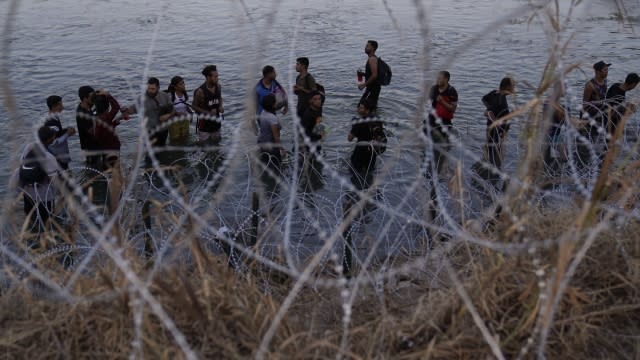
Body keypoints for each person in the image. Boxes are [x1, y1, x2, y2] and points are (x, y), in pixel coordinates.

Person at [9, 126, 59, 240]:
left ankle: (30, 240)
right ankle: (45, 244)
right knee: (47, 222)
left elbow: (22, 164)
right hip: (43, 197)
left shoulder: (29, 147)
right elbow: (54, 181)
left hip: (27, 193)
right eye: (53, 136)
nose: (54, 137)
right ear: (49, 139)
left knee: (30, 218)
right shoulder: (49, 158)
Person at [481, 77, 515, 185]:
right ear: (507, 87)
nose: (514, 88)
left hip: (489, 130)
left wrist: (488, 110)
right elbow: (501, 122)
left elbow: (484, 99)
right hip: (496, 133)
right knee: (496, 160)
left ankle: (488, 176)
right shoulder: (502, 102)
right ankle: (493, 183)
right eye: (512, 86)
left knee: (489, 153)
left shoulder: (493, 93)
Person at [427, 71, 458, 174]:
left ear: (446, 79)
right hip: (432, 119)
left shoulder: (451, 91)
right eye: (437, 78)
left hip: (444, 121)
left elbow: (453, 109)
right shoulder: (434, 88)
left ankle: (441, 164)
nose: (437, 80)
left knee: (442, 145)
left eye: (440, 78)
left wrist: (442, 102)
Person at [348, 101, 383, 181]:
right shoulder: (377, 120)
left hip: (359, 153)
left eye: (361, 108)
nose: (358, 109)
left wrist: (353, 126)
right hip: (372, 153)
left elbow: (350, 139)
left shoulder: (359, 122)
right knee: (369, 173)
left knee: (354, 173)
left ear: (367, 110)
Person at [192, 65, 224, 142]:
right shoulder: (200, 91)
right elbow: (193, 107)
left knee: (217, 145)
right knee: (205, 148)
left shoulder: (218, 87)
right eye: (215, 77)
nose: (217, 78)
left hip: (216, 123)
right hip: (204, 126)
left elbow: (220, 98)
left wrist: (220, 106)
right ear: (208, 77)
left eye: (217, 76)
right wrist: (206, 112)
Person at [44, 95, 75, 170]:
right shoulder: (50, 122)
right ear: (53, 106)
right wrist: (67, 134)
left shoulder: (53, 117)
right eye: (60, 105)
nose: (63, 107)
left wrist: (66, 130)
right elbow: (54, 142)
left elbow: (57, 134)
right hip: (57, 157)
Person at [605, 72, 639, 136]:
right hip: (611, 122)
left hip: (606, 114)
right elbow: (614, 113)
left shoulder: (616, 85)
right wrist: (630, 109)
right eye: (636, 85)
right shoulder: (619, 95)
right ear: (633, 84)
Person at [143, 77, 175, 147]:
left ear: (158, 88)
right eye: (148, 88)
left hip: (163, 130)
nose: (150, 91)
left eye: (152, 89)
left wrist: (168, 115)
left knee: (161, 148)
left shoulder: (165, 96)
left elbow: (173, 110)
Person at [76, 85, 101, 167]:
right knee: (94, 168)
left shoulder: (87, 106)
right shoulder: (82, 114)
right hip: (90, 148)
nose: (94, 99)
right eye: (91, 97)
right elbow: (92, 131)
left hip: (93, 146)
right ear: (84, 98)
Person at [257, 94, 284, 170]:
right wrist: (282, 149)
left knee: (266, 165)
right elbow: (276, 137)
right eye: (276, 102)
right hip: (271, 147)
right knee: (277, 167)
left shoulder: (263, 112)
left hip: (261, 143)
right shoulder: (272, 118)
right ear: (273, 105)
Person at [166, 76, 193, 144]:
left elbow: (185, 105)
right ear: (175, 87)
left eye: (183, 83)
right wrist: (178, 113)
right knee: (175, 140)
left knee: (185, 137)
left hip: (184, 119)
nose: (183, 85)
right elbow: (168, 110)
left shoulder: (184, 94)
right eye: (181, 84)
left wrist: (191, 113)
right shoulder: (171, 95)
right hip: (174, 122)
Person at [357, 40, 381, 111]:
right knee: (370, 109)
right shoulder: (374, 58)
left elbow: (374, 75)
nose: (365, 47)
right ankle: (373, 120)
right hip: (374, 89)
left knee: (361, 108)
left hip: (372, 89)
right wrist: (363, 74)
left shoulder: (372, 59)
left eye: (367, 46)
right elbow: (373, 74)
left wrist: (363, 84)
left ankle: (368, 121)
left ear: (373, 48)